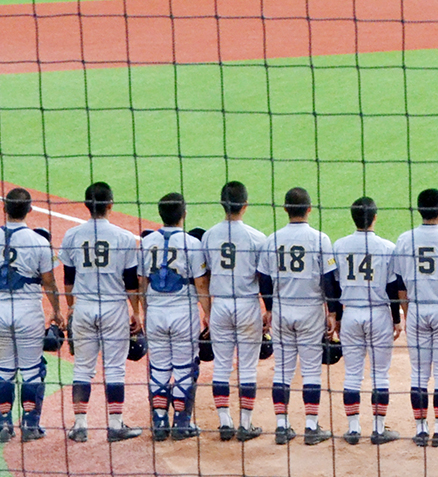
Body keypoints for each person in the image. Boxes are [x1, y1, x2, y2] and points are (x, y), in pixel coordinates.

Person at [0, 188, 60, 441]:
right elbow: (49, 283)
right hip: (29, 314)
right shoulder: (40, 241)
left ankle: (4, 424)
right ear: (30, 210)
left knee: (3, 371)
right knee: (32, 370)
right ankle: (30, 425)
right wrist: (57, 312)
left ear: (4, 209)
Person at [57, 181, 142, 442]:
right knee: (115, 368)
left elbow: (68, 279)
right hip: (114, 308)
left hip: (83, 306)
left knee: (82, 368)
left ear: (86, 205)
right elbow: (131, 283)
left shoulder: (72, 235)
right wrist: (136, 313)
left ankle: (80, 426)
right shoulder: (125, 237)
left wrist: (71, 308)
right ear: (110, 205)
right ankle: (115, 425)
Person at [255, 187, 341, 444]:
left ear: (284, 209)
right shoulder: (320, 239)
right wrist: (333, 313)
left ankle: (282, 426)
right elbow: (328, 280)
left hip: (281, 311)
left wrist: (269, 309)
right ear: (309, 209)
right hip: (310, 311)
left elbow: (264, 279)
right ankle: (311, 428)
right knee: (312, 371)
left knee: (282, 369)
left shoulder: (273, 239)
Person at [389, 188, 438, 446]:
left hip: (417, 309)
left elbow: (399, 283)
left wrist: (406, 310)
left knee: (419, 373)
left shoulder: (404, 239)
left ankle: (421, 430)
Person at [199, 181, 269, 441]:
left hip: (220, 306)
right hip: (247, 304)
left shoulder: (209, 235)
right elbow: (264, 279)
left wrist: (207, 310)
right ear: (246, 205)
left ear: (222, 204)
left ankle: (224, 422)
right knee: (248, 368)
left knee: (221, 366)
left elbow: (204, 276)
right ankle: (246, 425)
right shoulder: (257, 237)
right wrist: (267, 309)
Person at [139, 193, 208, 439]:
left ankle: (159, 423)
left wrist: (143, 312)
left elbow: (141, 282)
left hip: (155, 313)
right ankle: (181, 423)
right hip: (183, 313)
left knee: (158, 367)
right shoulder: (193, 243)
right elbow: (200, 284)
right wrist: (208, 314)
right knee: (185, 368)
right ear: (184, 214)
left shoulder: (147, 242)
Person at [333, 198, 401, 445]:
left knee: (352, 373)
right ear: (375, 217)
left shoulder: (339, 245)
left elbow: (332, 283)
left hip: (350, 313)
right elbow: (393, 287)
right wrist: (396, 320)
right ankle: (378, 429)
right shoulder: (387, 247)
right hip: (378, 314)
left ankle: (352, 430)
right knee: (380, 374)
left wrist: (337, 317)